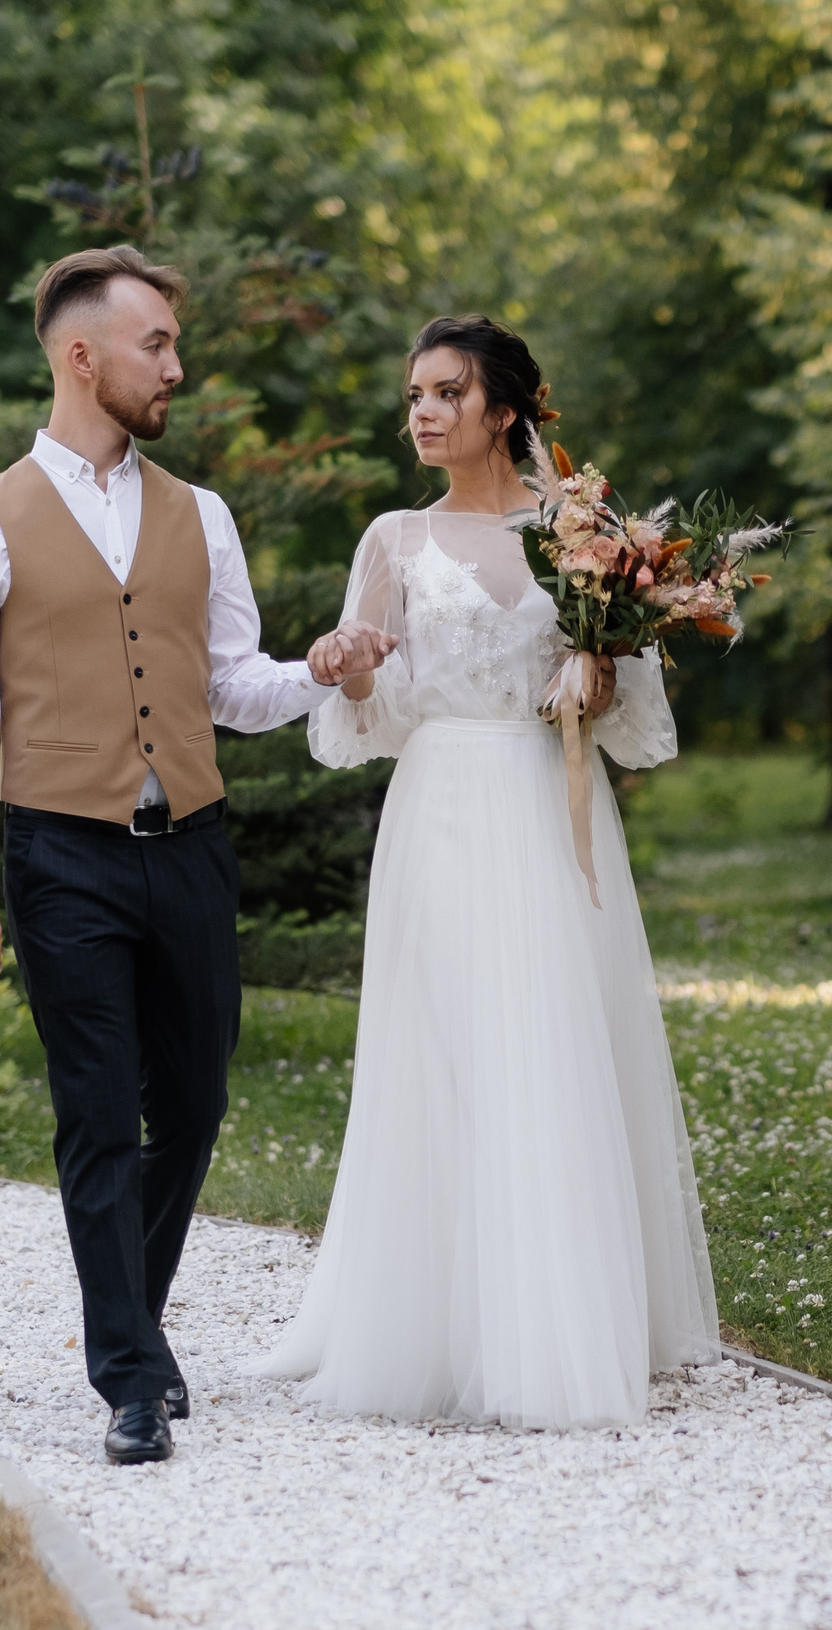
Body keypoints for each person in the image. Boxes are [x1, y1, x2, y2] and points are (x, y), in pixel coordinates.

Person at [0, 245, 389, 1466]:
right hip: (61, 857)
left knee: (192, 1098)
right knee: (94, 1115)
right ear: (83, 356)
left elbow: (231, 685)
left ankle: (139, 1315)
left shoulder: (202, 514)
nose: (178, 364)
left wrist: (318, 671)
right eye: (157, 344)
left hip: (190, 846)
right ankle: (127, 1370)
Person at [253, 315, 719, 1428]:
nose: (421, 411)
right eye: (414, 393)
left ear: (503, 410)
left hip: (551, 806)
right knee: (447, 1047)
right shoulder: (392, 541)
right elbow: (360, 716)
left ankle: (565, 1322)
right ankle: (435, 1322)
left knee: (555, 1039)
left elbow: (635, 713)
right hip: (443, 807)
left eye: (446, 392)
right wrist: (347, 668)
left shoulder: (582, 534)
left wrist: (599, 685)